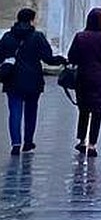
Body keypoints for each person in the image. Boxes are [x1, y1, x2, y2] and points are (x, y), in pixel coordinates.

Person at [0, 8, 65, 154]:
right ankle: (28, 142)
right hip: (33, 81)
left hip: (12, 80)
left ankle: (16, 143)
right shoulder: (37, 37)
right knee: (31, 112)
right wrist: (61, 60)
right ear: (31, 20)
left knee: (14, 112)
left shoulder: (7, 37)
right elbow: (48, 58)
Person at [67, 8, 101, 157]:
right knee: (97, 112)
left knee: (83, 110)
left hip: (83, 77)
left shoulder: (80, 37)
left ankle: (82, 140)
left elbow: (72, 57)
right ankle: (92, 145)